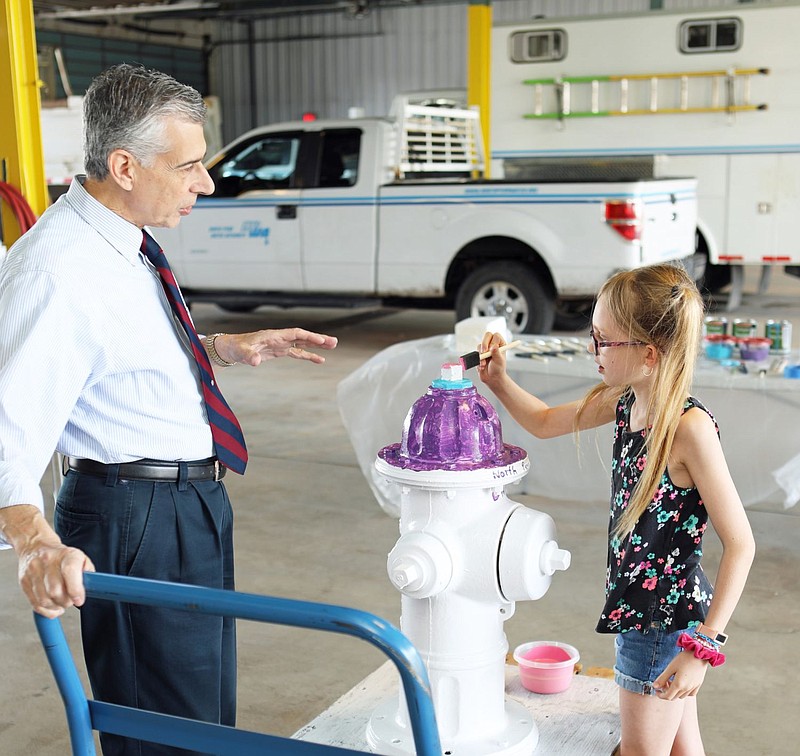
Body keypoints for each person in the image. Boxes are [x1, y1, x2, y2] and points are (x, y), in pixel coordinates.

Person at [0, 64, 337, 755]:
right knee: (161, 731)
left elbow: (113, 362)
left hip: (184, 505)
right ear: (124, 165)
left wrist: (216, 349)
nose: (205, 183)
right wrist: (35, 543)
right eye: (187, 166)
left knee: (200, 717)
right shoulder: (54, 271)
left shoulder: (120, 244)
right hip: (135, 514)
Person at [477, 264, 755, 756]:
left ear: (648, 353)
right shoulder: (627, 402)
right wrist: (499, 382)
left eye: (604, 340)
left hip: (663, 626)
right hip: (652, 618)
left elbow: (741, 544)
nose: (592, 348)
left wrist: (704, 649)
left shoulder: (688, 429)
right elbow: (543, 422)